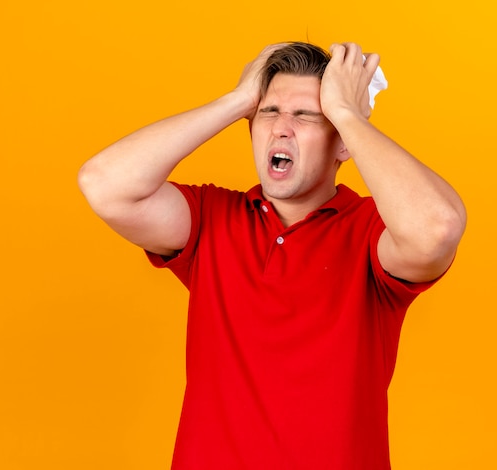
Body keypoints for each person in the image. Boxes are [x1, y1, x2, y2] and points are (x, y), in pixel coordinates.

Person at [78, 41, 466, 469]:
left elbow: (437, 228)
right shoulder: (211, 219)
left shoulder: (371, 234)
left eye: (305, 115)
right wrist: (239, 99)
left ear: (342, 144)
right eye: (268, 113)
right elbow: (104, 184)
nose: (281, 128)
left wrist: (348, 114)